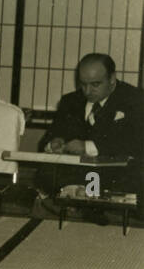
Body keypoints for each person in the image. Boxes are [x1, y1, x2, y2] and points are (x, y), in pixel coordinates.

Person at [38, 53, 143, 194]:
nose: (87, 91)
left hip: (117, 179)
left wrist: (87, 147)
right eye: (83, 84)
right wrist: (54, 143)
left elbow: (136, 144)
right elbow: (46, 140)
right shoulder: (70, 101)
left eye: (95, 84)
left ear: (112, 78)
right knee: (46, 175)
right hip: (74, 177)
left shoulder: (136, 100)